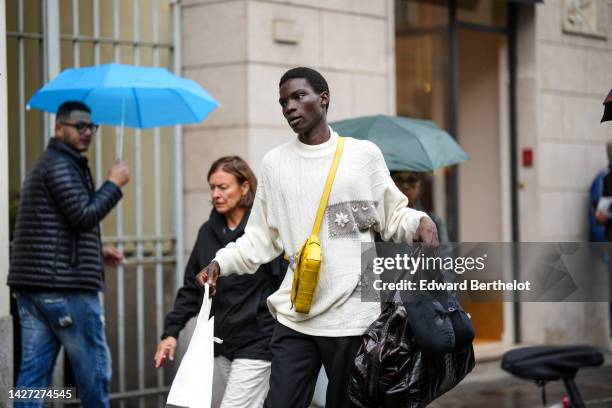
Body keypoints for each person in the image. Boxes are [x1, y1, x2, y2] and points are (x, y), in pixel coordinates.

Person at [196, 67, 438, 408]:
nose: (290, 107)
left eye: (299, 96)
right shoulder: (274, 164)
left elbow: (392, 214)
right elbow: (259, 238)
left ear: (323, 99)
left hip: (353, 317)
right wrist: (221, 262)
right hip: (297, 314)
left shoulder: (361, 156)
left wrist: (420, 223)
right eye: (283, 102)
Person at [7, 101, 129, 407]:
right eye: (79, 126)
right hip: (64, 289)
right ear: (59, 128)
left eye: (91, 127)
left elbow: (52, 229)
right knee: (94, 375)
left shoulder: (53, 163)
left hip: (39, 288)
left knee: (31, 381)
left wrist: (96, 251)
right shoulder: (60, 164)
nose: (87, 132)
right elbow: (83, 215)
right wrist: (113, 184)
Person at [154, 156, 286, 408]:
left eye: (223, 187)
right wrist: (170, 333)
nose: (216, 194)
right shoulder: (207, 231)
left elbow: (282, 284)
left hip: (259, 342)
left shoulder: (262, 232)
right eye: (212, 187)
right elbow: (192, 290)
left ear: (245, 187)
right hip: (222, 344)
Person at [390, 170, 450, 244]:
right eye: (399, 180)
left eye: (411, 180)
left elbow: (445, 254)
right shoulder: (382, 222)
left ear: (420, 187)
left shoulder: (435, 221)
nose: (405, 186)